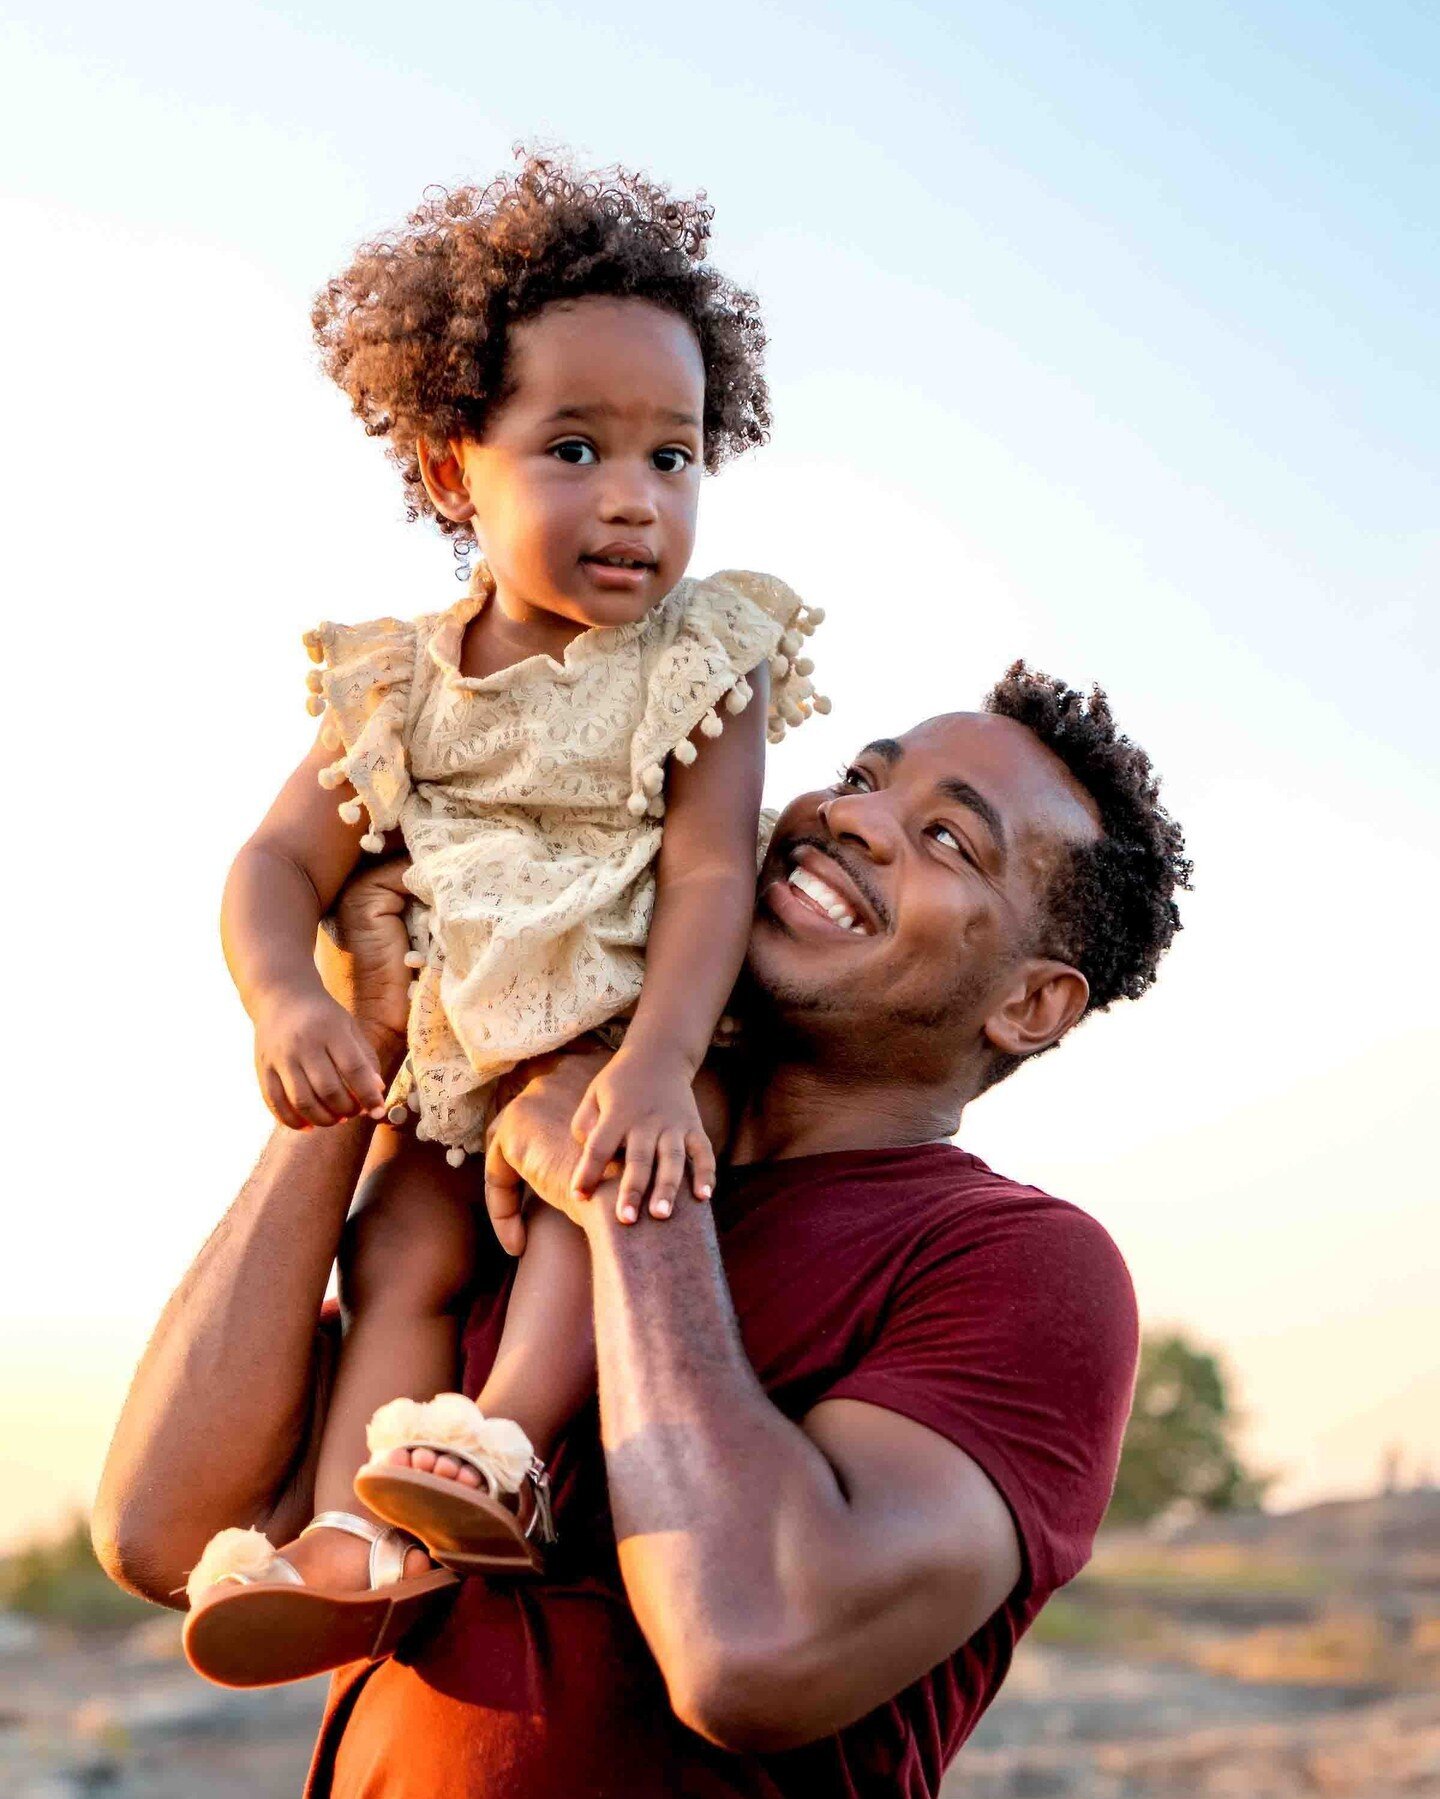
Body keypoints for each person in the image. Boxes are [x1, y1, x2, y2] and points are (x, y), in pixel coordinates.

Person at [95, 667, 1190, 1796]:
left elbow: (751, 1650)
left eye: (950, 838)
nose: (852, 814)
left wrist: (627, 1180)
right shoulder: (501, 1154)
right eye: (863, 773)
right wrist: (358, 1059)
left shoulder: (1019, 1264)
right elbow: (163, 1528)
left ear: (1031, 1004)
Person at [181, 151, 830, 1682]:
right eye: (576, 448)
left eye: (673, 458)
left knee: (586, 1200)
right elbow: (274, 866)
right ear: (447, 458)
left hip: (633, 1038)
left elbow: (714, 874)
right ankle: (356, 1537)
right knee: (395, 1247)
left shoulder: (698, 659)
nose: (634, 500)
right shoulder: (397, 685)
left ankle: (496, 1449)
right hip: (452, 1063)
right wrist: (290, 999)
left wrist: (660, 1059)